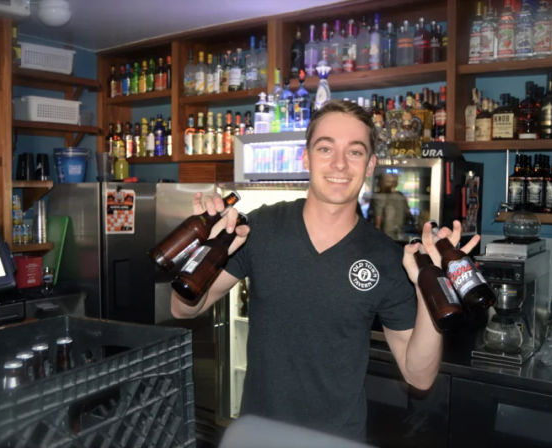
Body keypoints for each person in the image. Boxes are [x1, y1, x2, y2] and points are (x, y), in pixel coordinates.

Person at [170, 100, 480, 442]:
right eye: (325, 148)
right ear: (306, 158)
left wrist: (431, 287)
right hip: (258, 435)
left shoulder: (386, 258)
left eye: (355, 152)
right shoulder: (260, 228)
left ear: (370, 165)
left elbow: (419, 376)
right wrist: (202, 252)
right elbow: (184, 307)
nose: (339, 164)